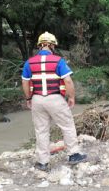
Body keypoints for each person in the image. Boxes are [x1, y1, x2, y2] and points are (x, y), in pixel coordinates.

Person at [21, 32, 87, 171]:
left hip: (37, 99)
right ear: (51, 45)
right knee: (67, 126)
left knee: (41, 130)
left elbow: (25, 83)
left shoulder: (29, 62)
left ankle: (42, 162)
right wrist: (71, 97)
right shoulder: (58, 61)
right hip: (55, 98)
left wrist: (28, 98)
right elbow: (68, 81)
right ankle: (73, 154)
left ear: (40, 46)